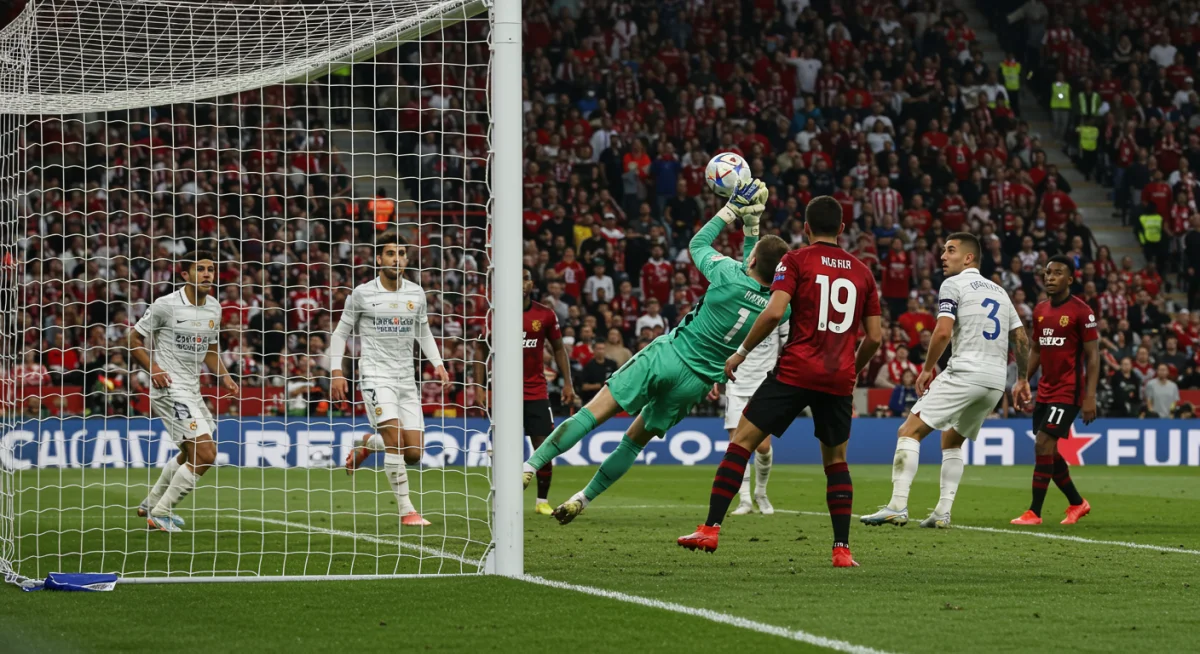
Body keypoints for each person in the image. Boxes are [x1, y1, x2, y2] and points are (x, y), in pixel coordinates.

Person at [520, 179, 788, 524]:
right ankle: (582, 499)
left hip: (668, 355)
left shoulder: (726, 273)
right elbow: (759, 274)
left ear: (750, 259)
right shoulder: (779, 306)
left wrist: (732, 210)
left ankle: (529, 467)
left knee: (590, 415)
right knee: (633, 443)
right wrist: (753, 225)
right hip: (695, 383)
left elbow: (698, 243)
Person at [678, 196, 883, 568]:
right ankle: (841, 550)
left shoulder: (795, 260)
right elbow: (874, 338)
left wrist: (740, 352)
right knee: (836, 462)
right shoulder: (862, 272)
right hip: (838, 377)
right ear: (841, 229)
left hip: (795, 370)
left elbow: (774, 312)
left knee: (741, 442)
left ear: (805, 228)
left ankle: (709, 529)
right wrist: (851, 368)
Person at [861, 232, 1029, 529]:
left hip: (965, 372)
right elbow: (1021, 338)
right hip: (994, 381)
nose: (942, 256)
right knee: (952, 440)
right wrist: (1022, 379)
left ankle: (897, 505)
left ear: (968, 258)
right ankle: (942, 512)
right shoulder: (1000, 292)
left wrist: (927, 369)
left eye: (950, 250)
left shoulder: (953, 284)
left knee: (909, 431)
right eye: (942, 250)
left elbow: (941, 332)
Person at [335, 230, 451, 527]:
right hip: (375, 375)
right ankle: (407, 510)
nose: (396, 259)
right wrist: (336, 371)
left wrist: (438, 364)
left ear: (406, 259)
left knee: (413, 453)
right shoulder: (362, 294)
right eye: (390, 253)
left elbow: (423, 331)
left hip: (406, 379)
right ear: (378, 259)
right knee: (396, 440)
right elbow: (340, 334)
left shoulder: (416, 293)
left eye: (401, 254)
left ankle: (368, 444)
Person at [131, 250, 240, 532]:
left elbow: (211, 351)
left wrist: (225, 377)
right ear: (185, 274)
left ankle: (151, 504)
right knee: (206, 454)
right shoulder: (165, 305)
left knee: (189, 454)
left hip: (193, 389)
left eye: (211, 269)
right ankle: (161, 512)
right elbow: (133, 339)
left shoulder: (214, 308)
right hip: (169, 388)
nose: (207, 274)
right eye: (200, 268)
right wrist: (153, 368)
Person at [1010, 257, 1096, 526]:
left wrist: (1090, 396)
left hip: (1069, 389)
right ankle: (1077, 503)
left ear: (1069, 279)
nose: (1050, 277)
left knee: (1043, 443)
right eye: (1048, 273)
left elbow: (1093, 357)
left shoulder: (1082, 312)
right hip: (1046, 390)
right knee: (1049, 450)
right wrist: (1023, 380)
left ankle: (1034, 512)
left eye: (1057, 273)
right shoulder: (1040, 310)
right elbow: (1036, 349)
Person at [714, 319, 789, 517]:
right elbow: (721, 344)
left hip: (765, 385)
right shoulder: (739, 310)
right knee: (737, 445)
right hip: (736, 385)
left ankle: (761, 493)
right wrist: (714, 376)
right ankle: (745, 499)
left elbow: (789, 345)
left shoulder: (781, 313)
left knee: (763, 447)